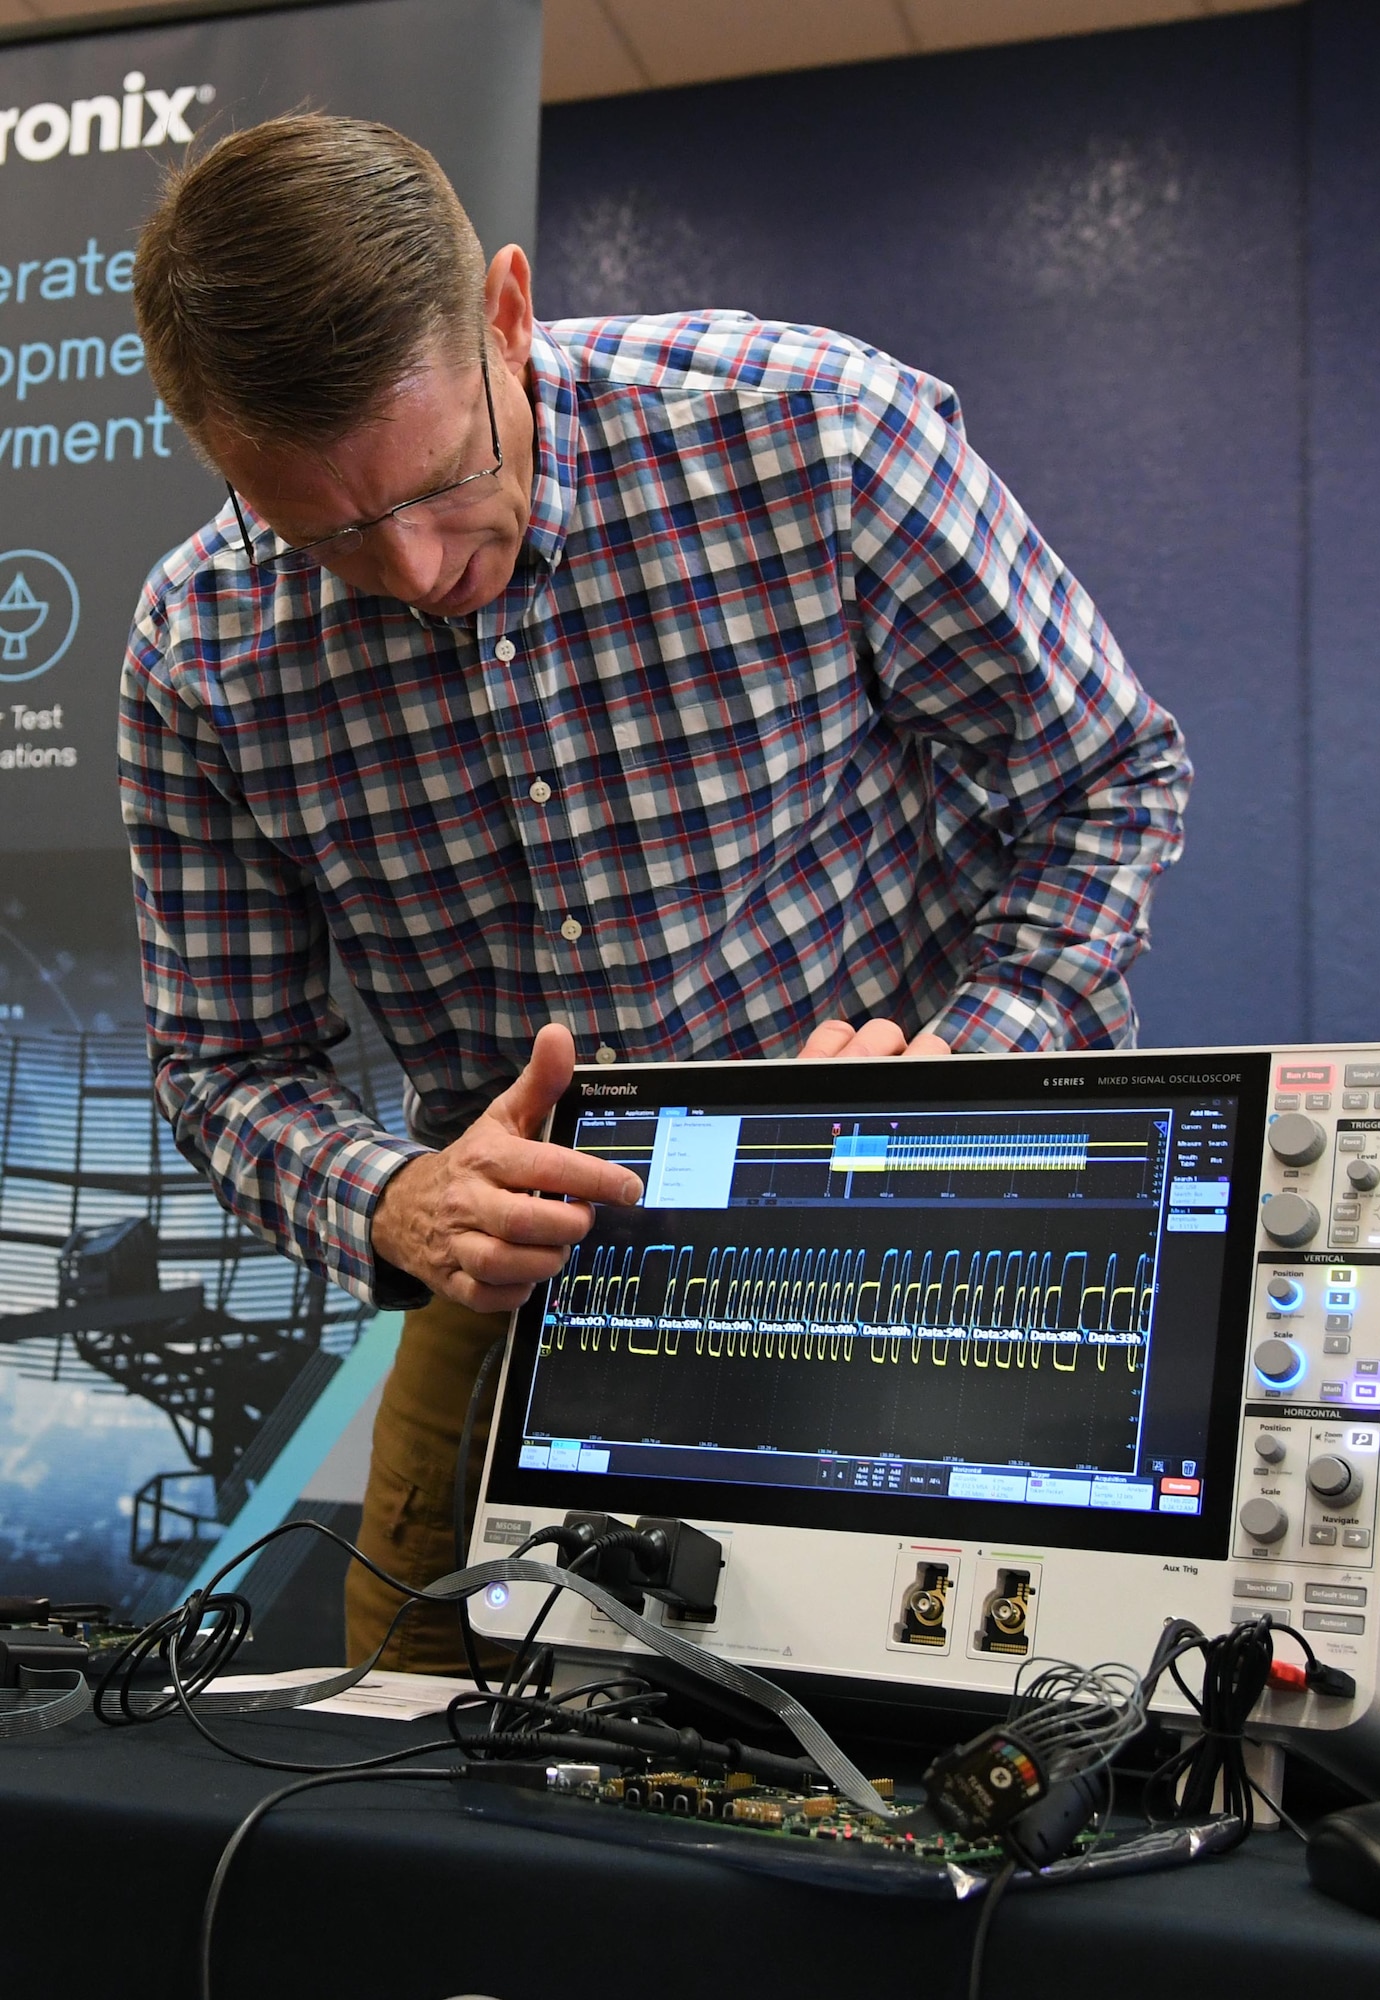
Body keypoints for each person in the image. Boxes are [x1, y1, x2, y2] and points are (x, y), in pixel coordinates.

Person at [121, 115, 1190, 1671]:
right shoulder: (200, 650)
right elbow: (223, 1068)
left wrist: (979, 1061)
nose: (417, 568)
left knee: (984, 1744)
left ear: (504, 310)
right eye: (329, 533)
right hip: (522, 1298)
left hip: (920, 1245)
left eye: (438, 480)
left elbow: (1107, 776)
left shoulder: (812, 433)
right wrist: (394, 1199)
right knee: (437, 1784)